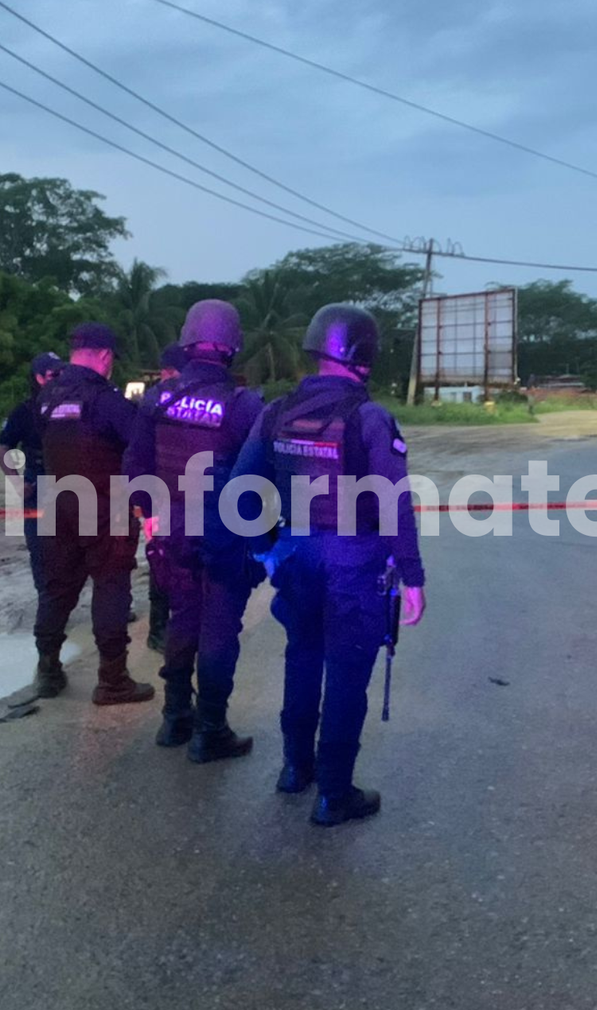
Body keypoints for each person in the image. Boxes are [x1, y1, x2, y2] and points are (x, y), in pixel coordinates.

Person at [225, 304, 426, 826]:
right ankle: (334, 794)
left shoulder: (276, 412)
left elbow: (239, 492)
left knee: (302, 658)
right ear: (363, 354)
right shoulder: (369, 417)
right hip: (354, 561)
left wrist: (266, 550)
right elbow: (393, 501)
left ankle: (295, 770)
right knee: (345, 674)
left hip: (296, 553)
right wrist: (413, 576)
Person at [124, 304, 266, 762]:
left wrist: (148, 516)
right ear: (232, 347)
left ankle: (174, 719)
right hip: (224, 533)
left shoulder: (157, 398)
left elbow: (136, 465)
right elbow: (262, 479)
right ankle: (210, 731)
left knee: (183, 618)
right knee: (220, 629)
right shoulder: (245, 406)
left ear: (187, 342)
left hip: (171, 530)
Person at [29, 323, 155, 705]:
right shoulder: (107, 400)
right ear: (105, 356)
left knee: (56, 589)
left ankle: (48, 670)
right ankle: (112, 680)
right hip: (105, 506)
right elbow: (139, 448)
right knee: (111, 586)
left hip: (58, 504)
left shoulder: (48, 396)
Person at [0, 351, 64, 599]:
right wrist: (16, 482)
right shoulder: (25, 411)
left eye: (62, 373)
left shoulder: (74, 405)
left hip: (72, 480)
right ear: (38, 378)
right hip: (39, 479)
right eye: (53, 374)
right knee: (41, 547)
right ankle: (48, 602)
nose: (59, 378)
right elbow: (2, 447)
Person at [144, 343, 188, 654]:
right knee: (164, 564)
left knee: (169, 562)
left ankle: (167, 627)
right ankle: (159, 629)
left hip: (167, 494)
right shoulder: (158, 400)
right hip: (165, 496)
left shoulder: (154, 400)